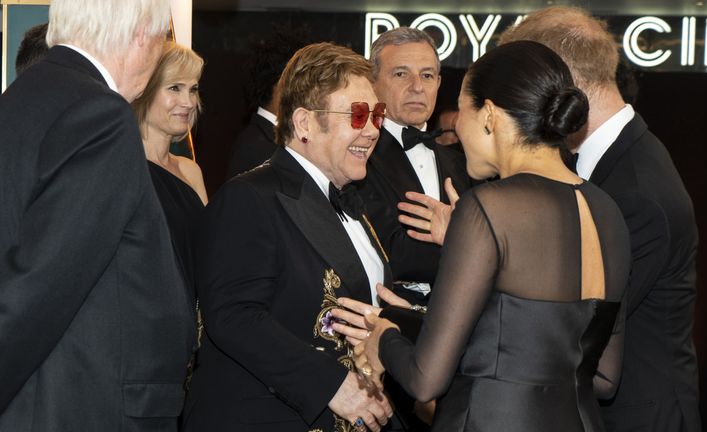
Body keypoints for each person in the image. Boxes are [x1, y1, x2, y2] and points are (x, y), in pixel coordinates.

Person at [343, 40, 631, 432]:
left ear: (490, 115)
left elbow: (425, 379)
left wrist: (385, 334)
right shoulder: (607, 210)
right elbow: (603, 377)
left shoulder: (488, 208)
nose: (456, 127)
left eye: (461, 109)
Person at [182, 42, 401, 432]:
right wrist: (332, 384)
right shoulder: (249, 197)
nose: (372, 129)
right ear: (303, 124)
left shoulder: (354, 203)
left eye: (377, 114)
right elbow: (233, 316)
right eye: (358, 114)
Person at [500, 7, 701, 432]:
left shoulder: (636, 192)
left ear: (563, 85)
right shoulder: (615, 161)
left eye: (525, 88)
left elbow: (578, 329)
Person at [0, 0, 195, 430]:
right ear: (142, 34)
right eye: (164, 39)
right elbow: (41, 282)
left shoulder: (21, 99)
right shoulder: (101, 115)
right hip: (84, 405)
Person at [358, 27, 472, 308]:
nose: (417, 86)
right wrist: (470, 250)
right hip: (386, 319)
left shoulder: (463, 163)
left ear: (439, 83)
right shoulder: (360, 156)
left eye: (427, 75)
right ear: (372, 83)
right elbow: (388, 252)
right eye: (401, 74)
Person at [132, 41, 207, 300]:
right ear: (145, 91)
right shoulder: (125, 169)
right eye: (175, 88)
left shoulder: (190, 171)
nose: (188, 102)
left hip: (195, 319)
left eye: (193, 89)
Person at [226, 26, 312, 178]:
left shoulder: (274, 138)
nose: (311, 92)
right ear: (281, 86)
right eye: (304, 83)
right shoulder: (253, 147)